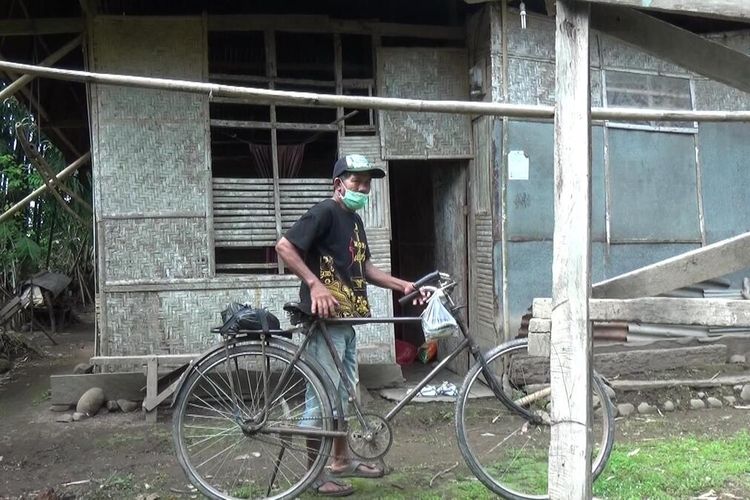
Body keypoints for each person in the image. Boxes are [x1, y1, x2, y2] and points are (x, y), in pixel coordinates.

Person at [275, 153, 422, 497]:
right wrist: (315, 284)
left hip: (346, 321)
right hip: (323, 322)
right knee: (321, 397)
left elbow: (365, 268)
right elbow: (284, 246)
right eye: (356, 181)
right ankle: (312, 474)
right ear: (338, 184)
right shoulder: (324, 211)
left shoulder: (353, 221)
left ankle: (340, 461)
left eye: (367, 183)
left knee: (342, 394)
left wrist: (402, 285)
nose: (362, 188)